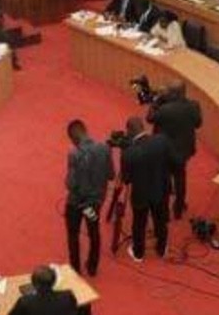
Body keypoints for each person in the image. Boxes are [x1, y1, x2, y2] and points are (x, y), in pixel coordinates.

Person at [120, 116, 175, 262]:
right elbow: (172, 161)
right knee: (160, 221)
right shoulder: (161, 141)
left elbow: (126, 180)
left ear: (130, 130)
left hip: (141, 194)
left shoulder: (128, 153)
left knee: (139, 223)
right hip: (160, 190)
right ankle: (162, 249)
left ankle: (138, 254)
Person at [64, 120, 113, 276]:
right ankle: (92, 267)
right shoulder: (105, 148)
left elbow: (71, 184)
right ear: (85, 130)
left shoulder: (74, 154)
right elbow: (111, 175)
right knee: (94, 232)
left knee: (73, 235)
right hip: (95, 203)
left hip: (76, 204)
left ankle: (76, 270)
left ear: (72, 138)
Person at [147, 83, 202, 220]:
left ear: (175, 94)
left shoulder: (165, 109)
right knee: (180, 179)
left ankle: (164, 213)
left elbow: (150, 118)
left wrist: (155, 102)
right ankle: (178, 208)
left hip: (165, 151)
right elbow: (198, 123)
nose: (167, 93)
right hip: (183, 150)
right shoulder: (194, 105)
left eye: (169, 91)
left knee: (165, 181)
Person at [8, 265, 79, 315]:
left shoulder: (24, 302)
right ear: (54, 281)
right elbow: (74, 312)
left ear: (33, 283)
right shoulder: (67, 296)